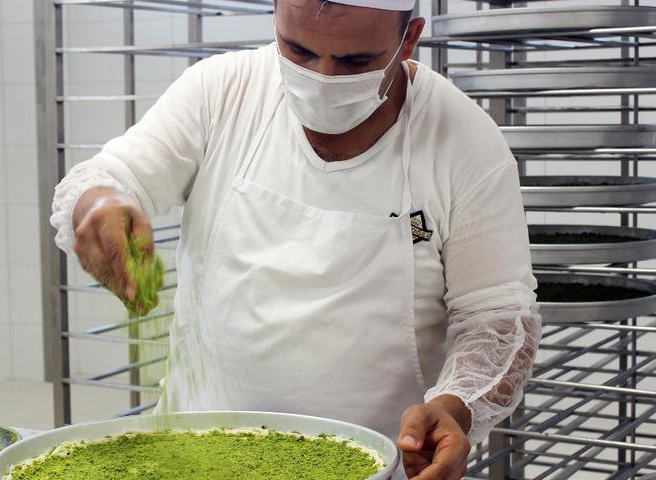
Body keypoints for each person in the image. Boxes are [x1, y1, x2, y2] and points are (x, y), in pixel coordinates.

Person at [51, 0, 542, 477]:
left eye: (356, 61)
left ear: (408, 39)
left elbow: (497, 318)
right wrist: (98, 205)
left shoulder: (463, 140)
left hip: (375, 460)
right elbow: (114, 173)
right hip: (197, 448)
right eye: (299, 51)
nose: (323, 79)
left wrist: (453, 408)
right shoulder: (222, 90)